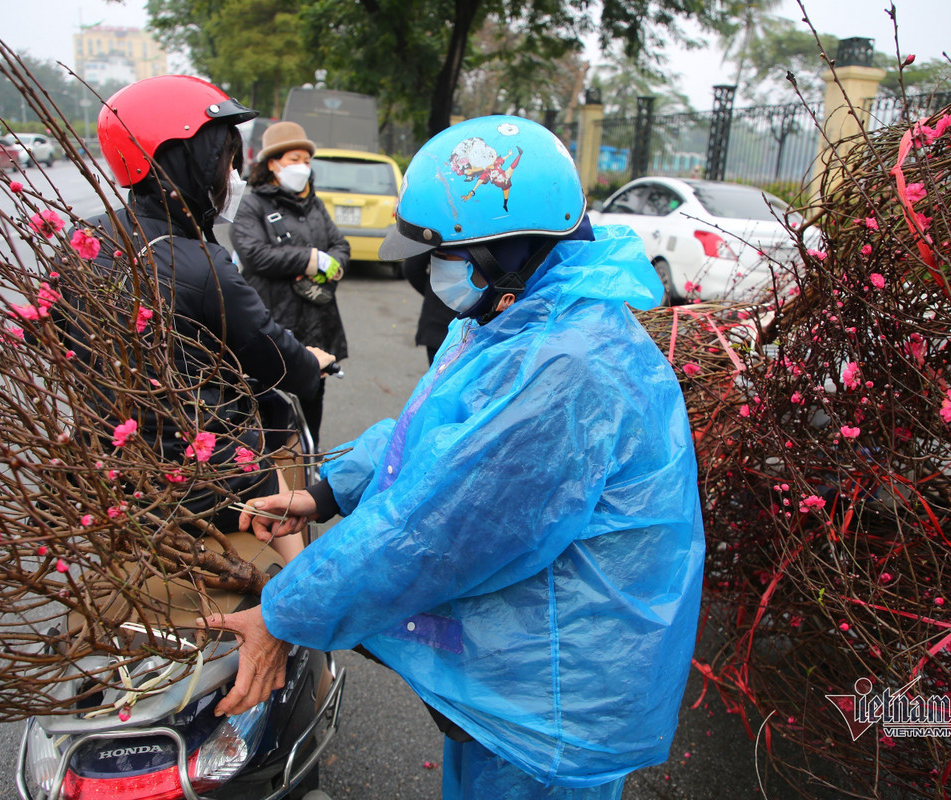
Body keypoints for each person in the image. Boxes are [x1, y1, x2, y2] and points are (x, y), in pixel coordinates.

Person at [203, 116, 705, 799]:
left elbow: (435, 528)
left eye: (442, 251)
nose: (428, 269)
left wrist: (282, 612)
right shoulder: (523, 316)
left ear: (503, 248)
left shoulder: (566, 366)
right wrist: (323, 491)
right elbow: (435, 433)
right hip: (516, 685)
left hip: (546, 702)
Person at [55, 75, 334, 559]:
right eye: (226, 159)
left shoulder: (82, 240)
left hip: (109, 464)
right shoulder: (202, 263)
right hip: (200, 482)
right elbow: (271, 354)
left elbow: (56, 338)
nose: (232, 175)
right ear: (192, 162)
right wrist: (310, 365)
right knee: (269, 468)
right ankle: (301, 598)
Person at [230, 121, 349, 448]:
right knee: (270, 413)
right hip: (274, 322)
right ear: (273, 163)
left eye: (307, 161)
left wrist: (329, 267)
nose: (303, 168)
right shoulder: (252, 205)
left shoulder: (315, 205)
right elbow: (254, 255)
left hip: (317, 321)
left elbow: (340, 246)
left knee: (313, 403)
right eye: (295, 159)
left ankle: (308, 463)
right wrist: (308, 259)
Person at [401, 251, 456, 365]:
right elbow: (412, 268)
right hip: (484, 324)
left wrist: (436, 295)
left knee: (439, 379)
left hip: (439, 324)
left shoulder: (441, 232)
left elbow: (412, 268)